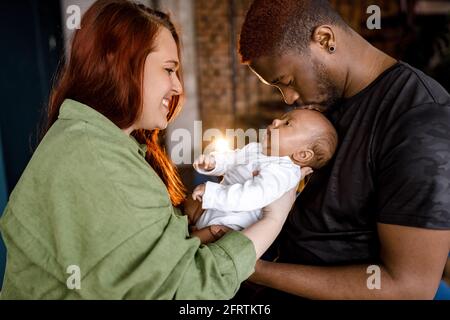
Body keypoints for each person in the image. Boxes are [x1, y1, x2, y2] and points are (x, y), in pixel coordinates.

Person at [0, 0, 296, 299]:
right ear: (119, 61)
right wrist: (273, 218)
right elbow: (187, 290)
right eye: (169, 70)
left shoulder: (104, 145)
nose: (178, 87)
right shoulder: (96, 159)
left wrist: (192, 225)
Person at [237, 0, 450, 299]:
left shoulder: (418, 122)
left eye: (286, 82)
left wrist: (252, 268)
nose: (288, 98)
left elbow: (409, 289)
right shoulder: (327, 104)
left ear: (325, 40)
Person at [190, 109, 337, 244]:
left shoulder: (282, 172)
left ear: (302, 154)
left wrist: (213, 194)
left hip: (228, 223)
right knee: (185, 206)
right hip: (213, 208)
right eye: (281, 118)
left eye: (287, 123)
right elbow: (233, 158)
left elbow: (252, 196)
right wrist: (214, 163)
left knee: (194, 243)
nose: (276, 121)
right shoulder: (257, 149)